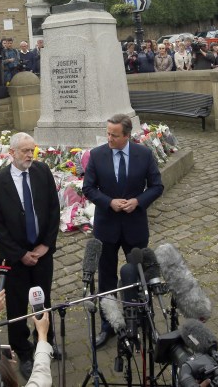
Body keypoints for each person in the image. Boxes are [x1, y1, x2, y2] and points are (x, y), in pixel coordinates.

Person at [83, 113, 163, 347]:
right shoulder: (97, 155)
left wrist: (138, 201)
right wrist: (109, 202)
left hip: (134, 226)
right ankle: (108, 324)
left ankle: (139, 320)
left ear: (127, 136)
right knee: (106, 278)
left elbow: (157, 186)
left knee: (137, 275)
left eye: (114, 135)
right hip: (106, 227)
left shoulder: (144, 154)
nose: (109, 138)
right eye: (108, 133)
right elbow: (88, 188)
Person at [0, 132, 60, 378]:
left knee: (43, 298)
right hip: (14, 258)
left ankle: (46, 342)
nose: (30, 155)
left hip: (41, 254)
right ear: (12, 153)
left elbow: (53, 210)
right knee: (17, 306)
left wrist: (46, 246)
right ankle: (24, 351)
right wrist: (19, 254)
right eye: (25, 151)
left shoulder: (42, 172)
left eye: (33, 150)